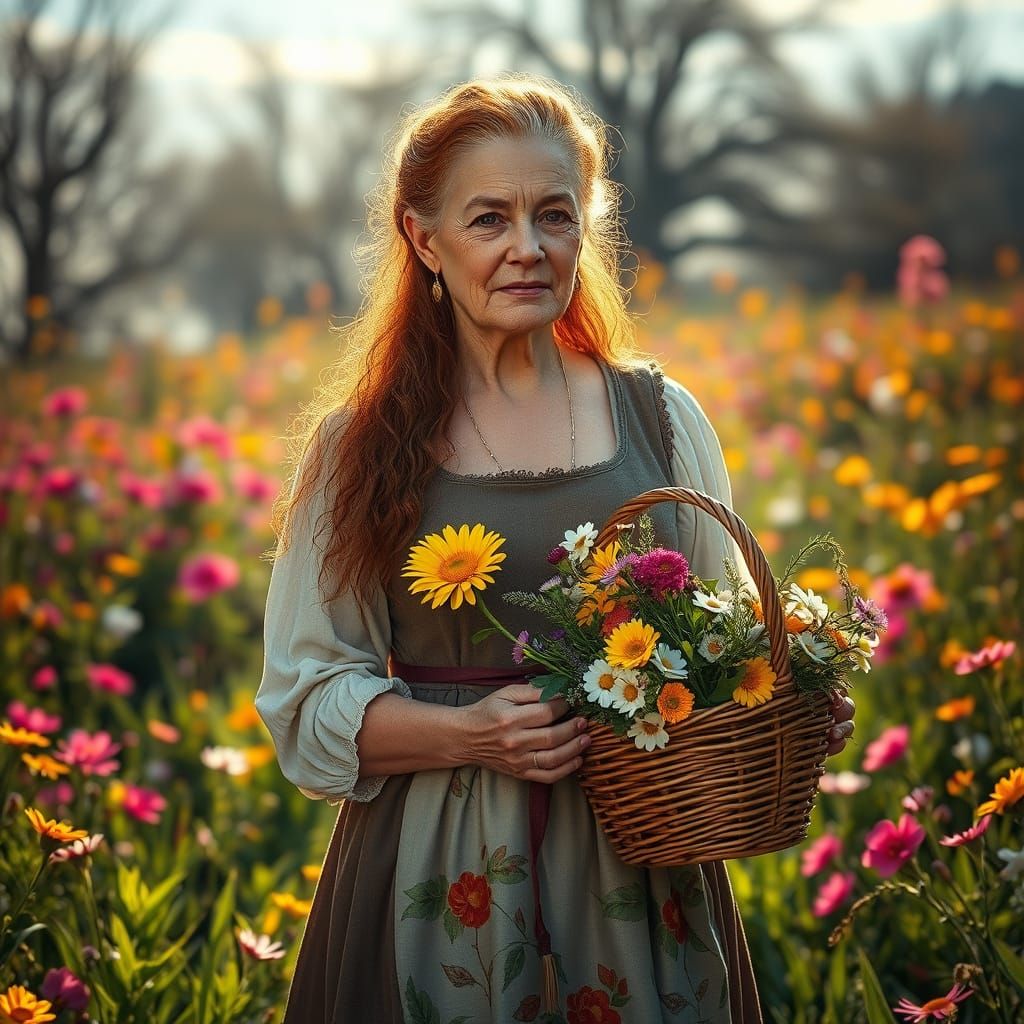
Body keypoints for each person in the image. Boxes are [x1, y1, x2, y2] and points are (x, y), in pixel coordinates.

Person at [255, 76, 855, 1023]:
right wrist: (472, 733)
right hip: (439, 866)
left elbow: (734, 644)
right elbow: (304, 696)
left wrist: (790, 696)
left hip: (639, 867)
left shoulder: (659, 417)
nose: (527, 248)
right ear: (424, 239)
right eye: (488, 219)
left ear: (587, 228)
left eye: (554, 215)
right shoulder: (357, 446)